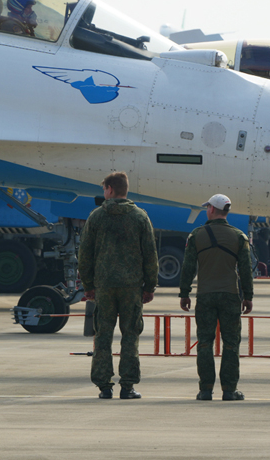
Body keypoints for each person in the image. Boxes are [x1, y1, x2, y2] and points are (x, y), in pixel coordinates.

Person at [78, 171, 158, 399]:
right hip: (132, 286)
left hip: (104, 286)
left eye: (105, 189)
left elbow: (85, 254)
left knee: (103, 335)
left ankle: (104, 386)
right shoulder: (140, 217)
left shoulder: (96, 217)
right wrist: (150, 286)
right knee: (130, 335)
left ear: (110, 190)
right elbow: (150, 254)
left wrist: (88, 284)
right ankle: (128, 386)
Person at [179, 194, 253, 401]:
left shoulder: (196, 235)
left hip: (205, 296)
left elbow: (188, 268)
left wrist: (184, 293)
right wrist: (248, 296)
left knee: (204, 342)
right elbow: (246, 271)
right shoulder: (239, 237)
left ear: (212, 209)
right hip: (230, 296)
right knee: (231, 343)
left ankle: (205, 390)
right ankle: (229, 390)